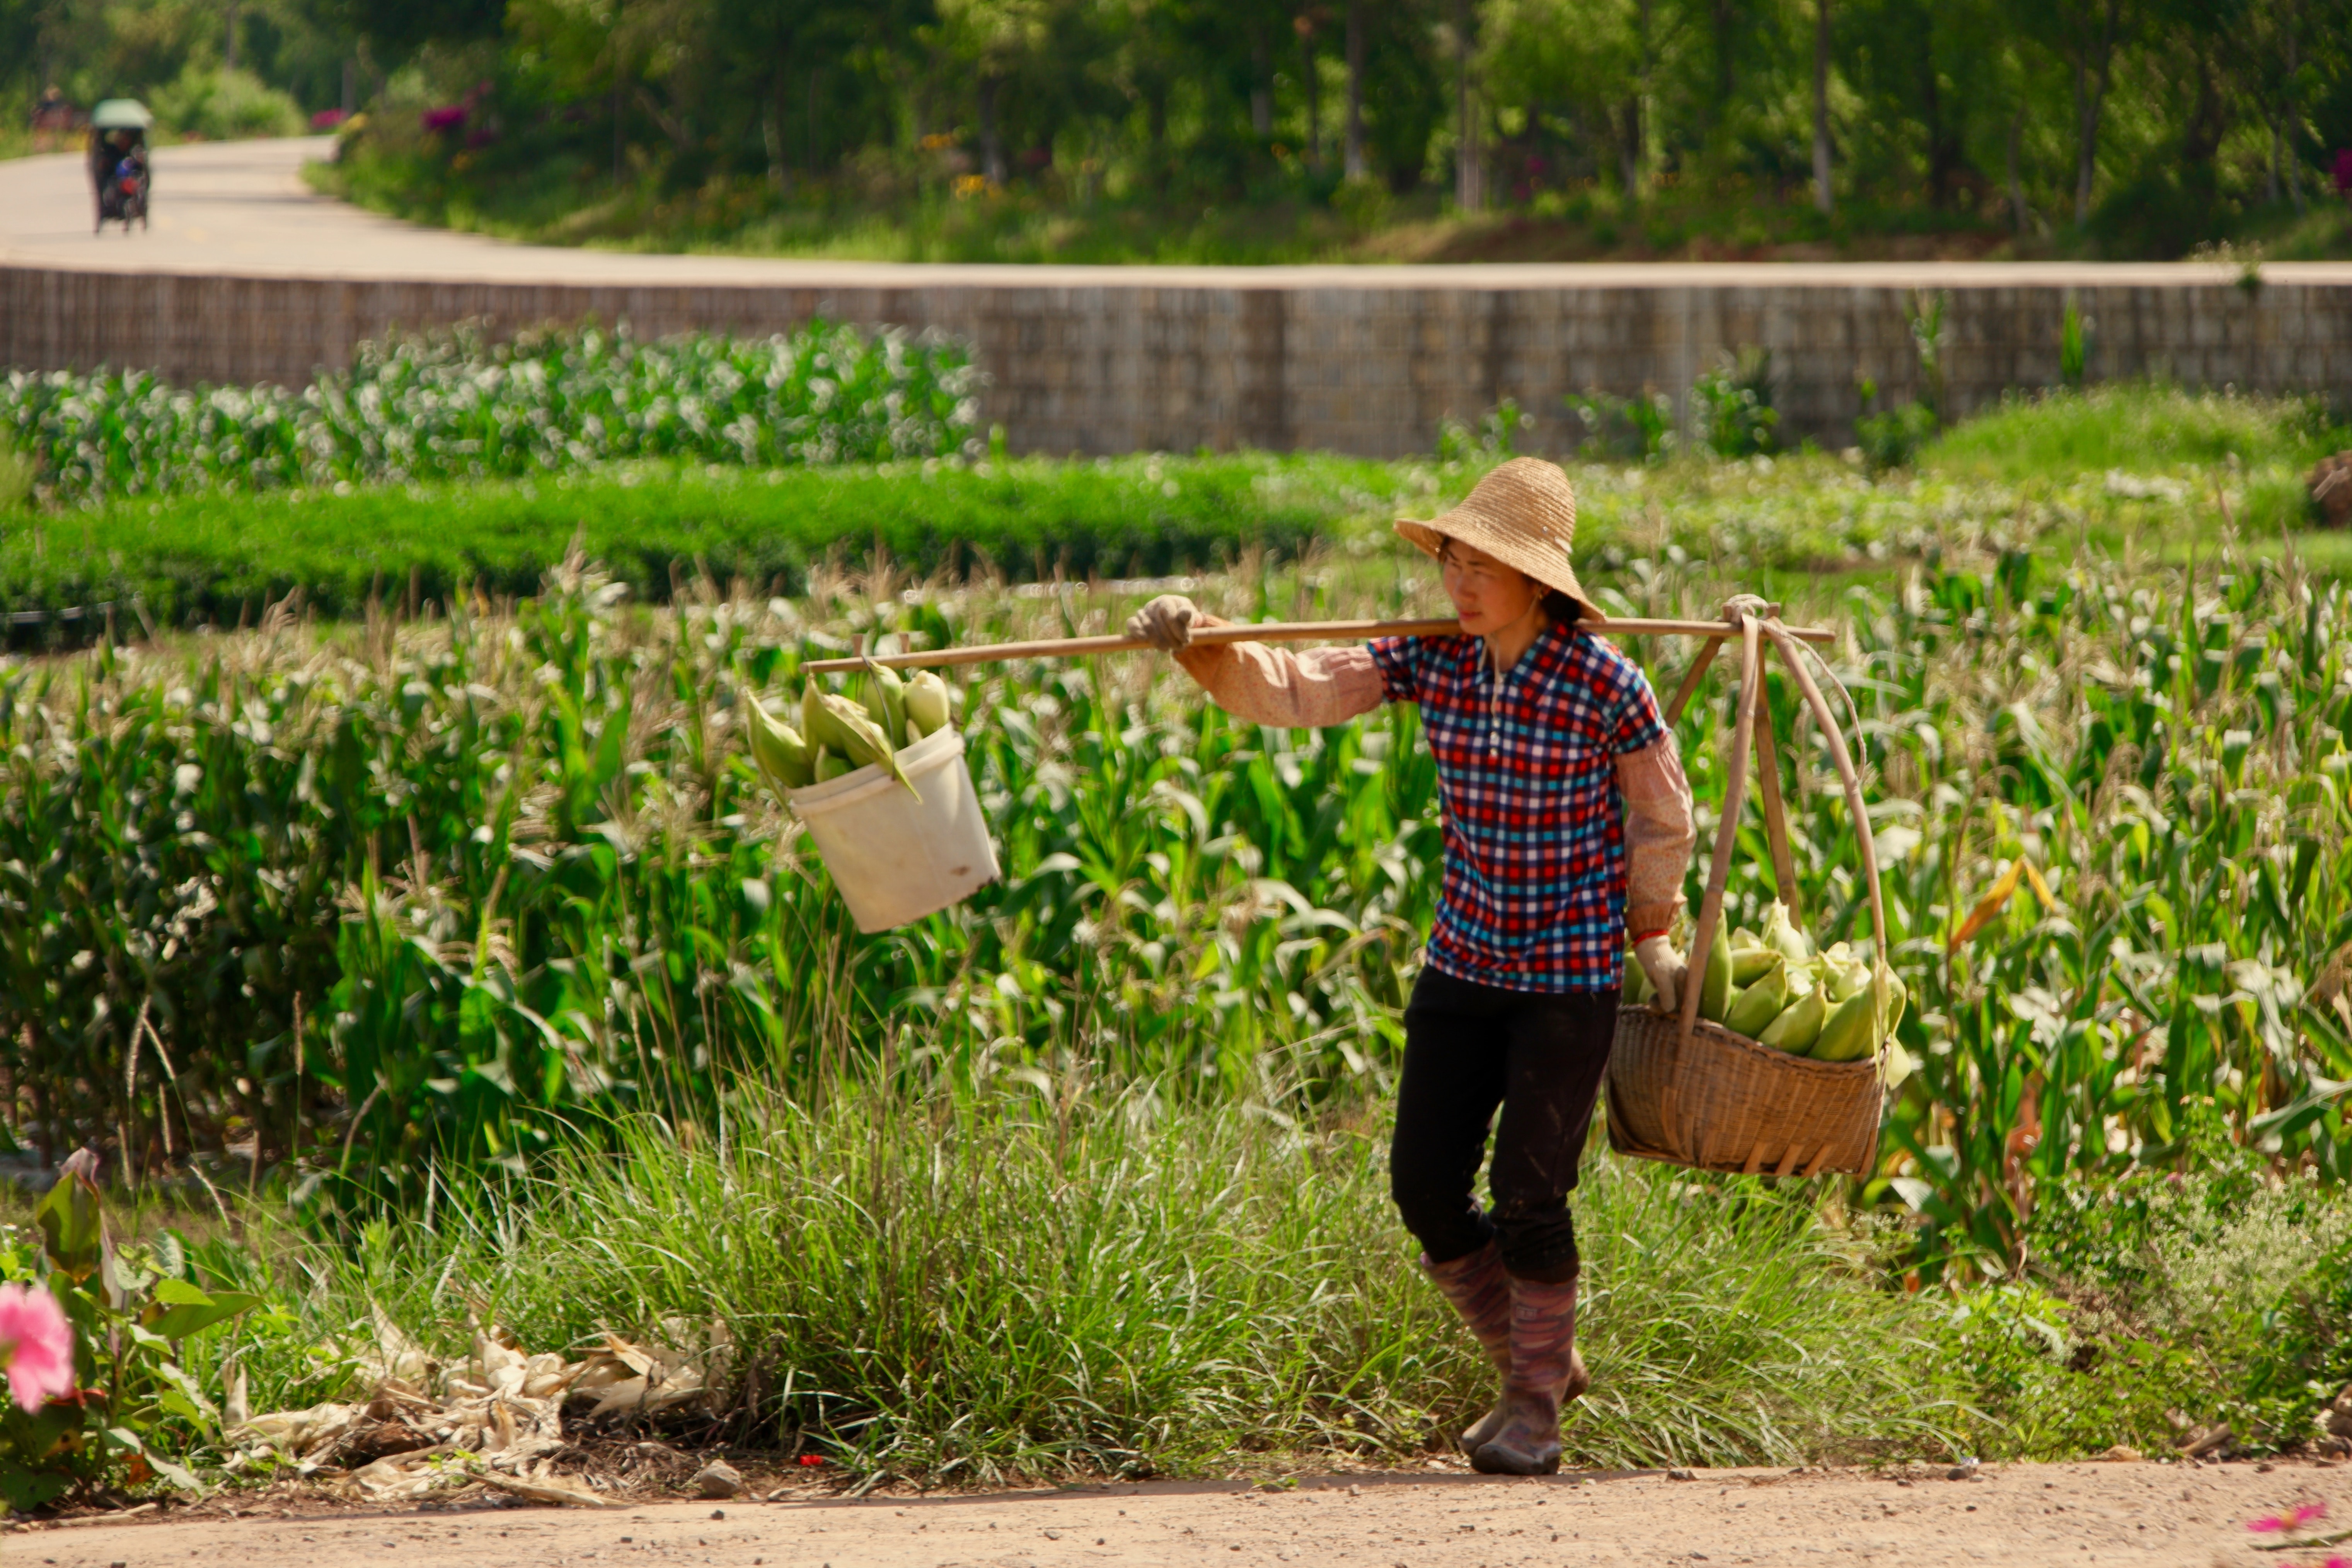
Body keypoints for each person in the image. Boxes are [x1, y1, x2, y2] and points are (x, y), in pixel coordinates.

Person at [1125, 457, 1694, 1476]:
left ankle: (1531, 1401)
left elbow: (1660, 816)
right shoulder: (1432, 661)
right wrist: (1200, 641)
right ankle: (1539, 1360)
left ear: (1538, 581)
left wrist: (1652, 934)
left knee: (1529, 1191)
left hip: (1565, 977)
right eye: (1452, 561)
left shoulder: (1604, 681)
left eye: (1484, 566)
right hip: (1466, 961)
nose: (1461, 584)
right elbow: (1294, 688)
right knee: (1424, 1188)